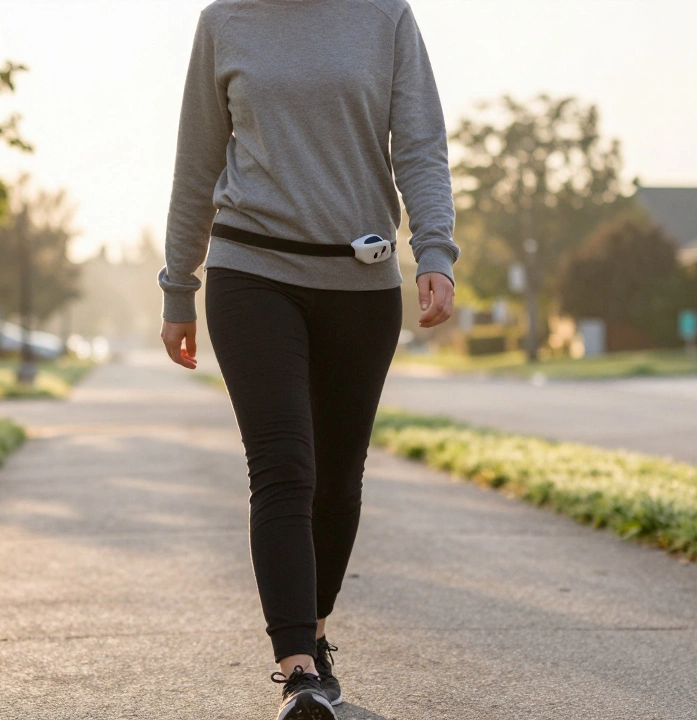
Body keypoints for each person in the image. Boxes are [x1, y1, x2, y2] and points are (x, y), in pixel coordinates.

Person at [157, 0, 458, 717]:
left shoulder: (384, 16)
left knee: (336, 477)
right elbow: (197, 163)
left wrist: (436, 249)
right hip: (250, 272)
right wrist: (178, 286)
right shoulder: (224, 21)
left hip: (360, 280)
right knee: (284, 465)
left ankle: (315, 636)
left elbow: (418, 142)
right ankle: (296, 668)